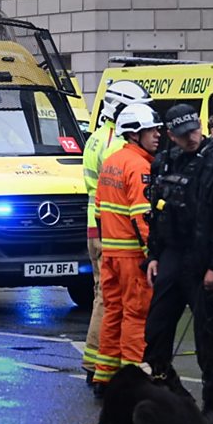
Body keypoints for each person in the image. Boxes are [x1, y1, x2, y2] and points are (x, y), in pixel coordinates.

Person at [144, 104, 213, 424]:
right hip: (173, 255)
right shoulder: (166, 160)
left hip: (206, 258)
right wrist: (154, 255)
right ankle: (173, 397)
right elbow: (157, 212)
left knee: (210, 337)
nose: (191, 138)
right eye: (183, 133)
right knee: (156, 332)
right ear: (171, 135)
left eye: (194, 130)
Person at [80, 80, 152, 391]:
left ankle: (101, 368)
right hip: (121, 238)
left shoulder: (97, 139)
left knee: (108, 303)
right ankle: (112, 370)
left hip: (103, 230)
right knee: (123, 307)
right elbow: (138, 210)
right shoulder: (121, 150)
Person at [92, 103, 161, 388]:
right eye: (151, 130)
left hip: (111, 253)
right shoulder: (139, 166)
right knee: (135, 315)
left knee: (113, 313)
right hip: (132, 256)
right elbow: (143, 217)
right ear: (134, 134)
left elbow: (98, 210)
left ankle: (104, 376)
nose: (158, 134)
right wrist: (152, 254)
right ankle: (133, 381)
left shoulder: (112, 162)